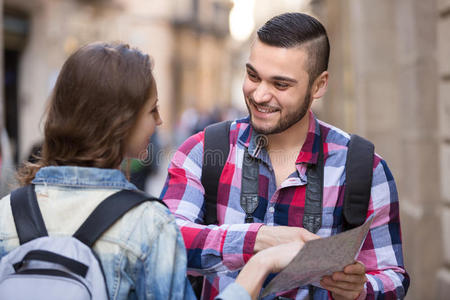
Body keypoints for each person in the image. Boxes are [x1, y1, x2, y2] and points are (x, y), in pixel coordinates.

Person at [0, 42, 310, 300]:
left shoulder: (7, 212)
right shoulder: (149, 224)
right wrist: (261, 264)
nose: (159, 121)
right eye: (152, 110)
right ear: (120, 121)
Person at [161, 12, 409, 299]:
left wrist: (361, 289)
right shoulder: (204, 151)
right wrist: (259, 240)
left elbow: (393, 278)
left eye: (280, 85)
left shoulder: (365, 167)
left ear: (319, 85)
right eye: (253, 76)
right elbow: (167, 242)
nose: (260, 95)